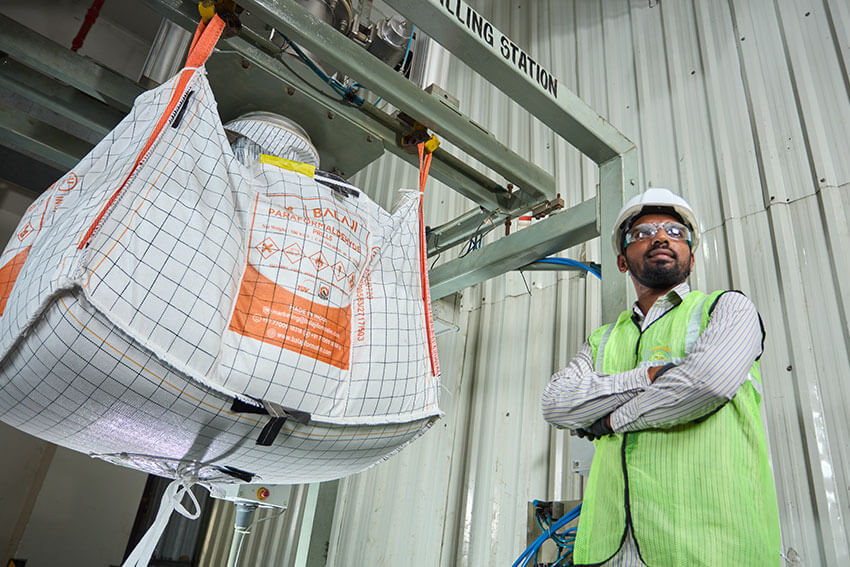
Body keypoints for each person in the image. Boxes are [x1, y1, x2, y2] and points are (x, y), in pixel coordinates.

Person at [541, 188, 781, 566]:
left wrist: (611, 420)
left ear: (691, 255)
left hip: (711, 548)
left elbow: (707, 383)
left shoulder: (727, 308)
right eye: (642, 233)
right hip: (610, 551)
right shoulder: (602, 339)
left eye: (674, 231)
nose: (660, 237)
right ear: (622, 261)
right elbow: (556, 403)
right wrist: (647, 376)